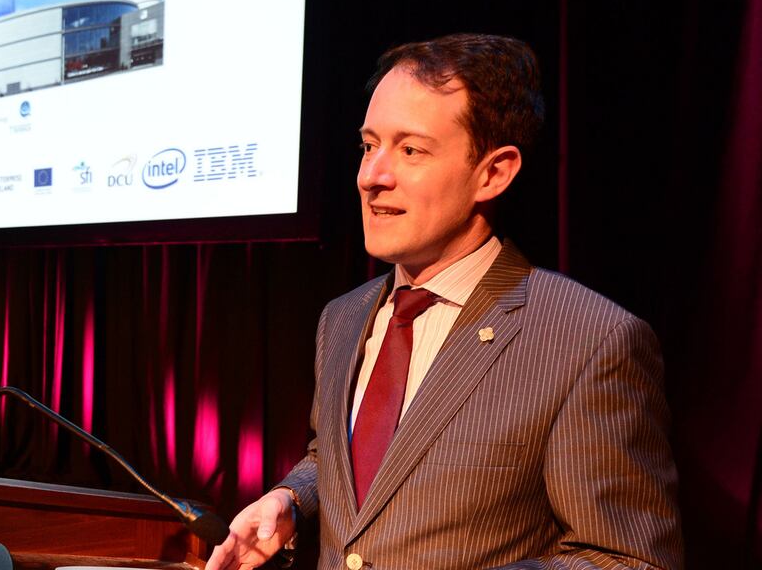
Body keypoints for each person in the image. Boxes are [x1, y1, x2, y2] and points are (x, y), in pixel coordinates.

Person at [205, 33, 682, 570]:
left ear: (493, 172)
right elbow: (344, 463)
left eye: (410, 150)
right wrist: (291, 499)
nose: (372, 177)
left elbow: (627, 558)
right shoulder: (342, 318)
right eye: (368, 146)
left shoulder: (589, 338)